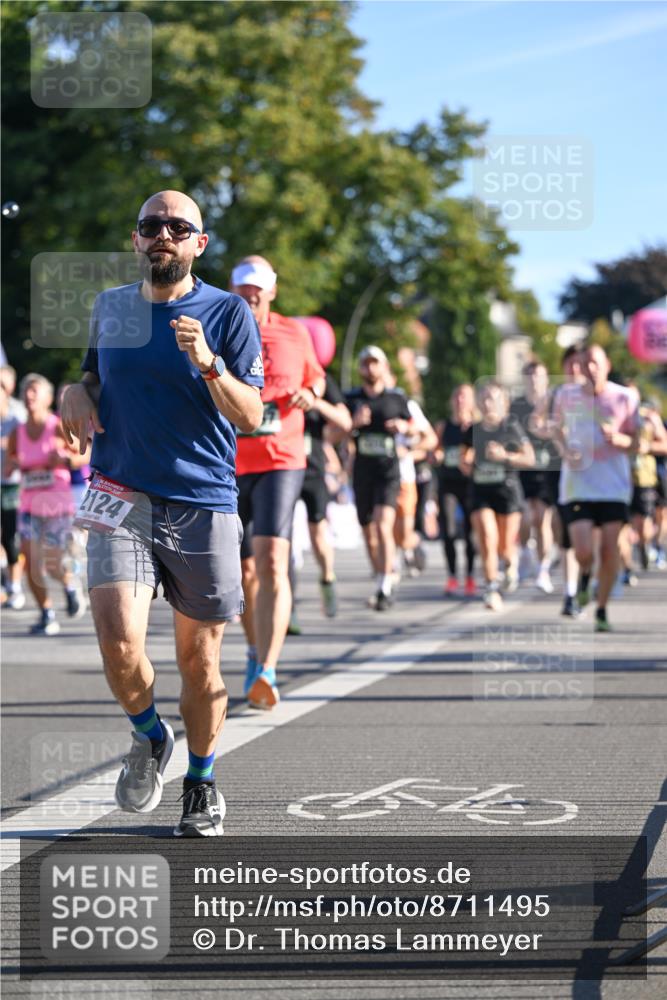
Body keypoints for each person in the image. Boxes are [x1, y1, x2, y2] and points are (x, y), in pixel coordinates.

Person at [60, 190, 264, 837]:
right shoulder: (111, 308)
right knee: (118, 641)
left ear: (199, 244)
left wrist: (209, 366)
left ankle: (201, 783)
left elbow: (252, 416)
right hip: (121, 493)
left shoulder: (229, 313)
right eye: (152, 226)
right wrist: (75, 388)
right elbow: (95, 378)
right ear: (136, 239)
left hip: (204, 501)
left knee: (199, 662)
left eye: (179, 227)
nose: (164, 235)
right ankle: (150, 734)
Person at [231, 256, 325, 709]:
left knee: (271, 559)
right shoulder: (221, 329)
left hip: (282, 459)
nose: (249, 293)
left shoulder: (294, 333)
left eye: (257, 287)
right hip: (230, 463)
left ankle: (268, 667)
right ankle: (253, 651)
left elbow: (317, 378)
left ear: (271, 291)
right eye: (242, 286)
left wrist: (311, 394)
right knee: (243, 570)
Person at [553, 343, 639, 632]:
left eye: (595, 363)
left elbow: (637, 442)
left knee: (610, 549)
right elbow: (556, 430)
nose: (590, 368)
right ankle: (584, 576)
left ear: (607, 365)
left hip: (613, 486)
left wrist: (620, 440)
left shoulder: (624, 397)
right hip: (578, 484)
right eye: (585, 362)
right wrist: (565, 450)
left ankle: (601, 609)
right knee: (583, 550)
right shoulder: (566, 396)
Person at [6, 373, 89, 634]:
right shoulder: (17, 433)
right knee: (30, 564)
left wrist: (64, 460)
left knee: (53, 564)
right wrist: (14, 466)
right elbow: (9, 464)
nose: (29, 396)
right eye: (26, 391)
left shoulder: (57, 426)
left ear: (48, 398)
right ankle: (46, 613)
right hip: (29, 506)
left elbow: (84, 455)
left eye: (35, 391)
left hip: (56, 507)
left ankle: (70, 586)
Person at [344, 346, 413, 610]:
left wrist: (404, 427)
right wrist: (354, 423)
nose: (370, 368)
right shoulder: (352, 399)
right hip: (362, 473)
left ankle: (385, 584)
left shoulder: (396, 399)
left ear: (384, 367)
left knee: (384, 525)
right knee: (368, 531)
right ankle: (381, 575)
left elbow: (416, 430)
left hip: (388, 472)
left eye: (375, 363)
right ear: (360, 368)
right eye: (366, 363)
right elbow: (338, 432)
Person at [462, 381, 535, 610]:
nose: (487, 403)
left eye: (492, 398)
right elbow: (463, 462)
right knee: (486, 537)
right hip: (481, 490)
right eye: (483, 398)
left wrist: (504, 456)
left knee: (504, 547)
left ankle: (510, 563)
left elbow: (529, 458)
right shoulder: (472, 430)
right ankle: (491, 588)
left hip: (507, 491)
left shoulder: (510, 427)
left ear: (503, 403)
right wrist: (467, 462)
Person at [291, 353, 352, 626]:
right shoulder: (275, 370)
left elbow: (345, 421)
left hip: (312, 467)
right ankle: (285, 606)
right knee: (282, 541)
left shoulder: (323, 380)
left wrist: (315, 401)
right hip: (280, 467)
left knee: (318, 535)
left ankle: (327, 578)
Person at [510, 361, 561, 595]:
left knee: (542, 518)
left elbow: (565, 431)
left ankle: (543, 570)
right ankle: (524, 552)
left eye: (538, 375)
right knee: (524, 519)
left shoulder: (555, 403)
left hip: (546, 469)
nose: (533, 379)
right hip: (521, 469)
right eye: (529, 375)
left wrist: (548, 429)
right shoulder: (516, 406)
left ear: (546, 378)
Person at [434, 383, 477, 596]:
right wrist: (437, 456)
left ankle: (469, 576)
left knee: (470, 533)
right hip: (447, 483)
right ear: (453, 400)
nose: (461, 401)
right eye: (458, 396)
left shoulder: (476, 428)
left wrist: (471, 458)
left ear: (471, 401)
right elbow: (433, 451)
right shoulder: (444, 427)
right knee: (449, 530)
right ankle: (452, 576)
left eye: (465, 396)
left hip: (470, 484)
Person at [629, 398, 667, 570]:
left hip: (655, 475)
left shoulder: (655, 421)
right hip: (631, 477)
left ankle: (655, 545)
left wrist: (647, 445)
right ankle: (639, 549)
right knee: (636, 519)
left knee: (661, 515)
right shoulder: (625, 418)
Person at [1, 368, 25, 609]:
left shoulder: (17, 416)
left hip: (11, 485)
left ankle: (15, 587)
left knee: (10, 537)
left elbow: (28, 446)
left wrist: (9, 450)